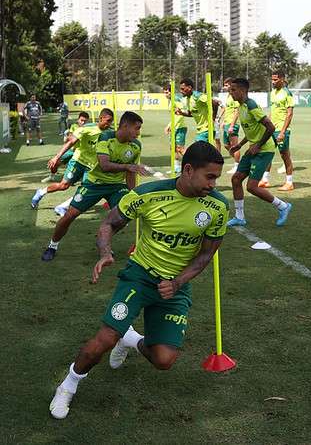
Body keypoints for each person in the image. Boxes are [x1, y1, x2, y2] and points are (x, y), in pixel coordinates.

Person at [48, 142, 229, 420]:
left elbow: (206, 255)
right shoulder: (147, 194)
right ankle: (68, 386)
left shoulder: (217, 206)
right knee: (105, 338)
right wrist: (105, 253)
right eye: (210, 176)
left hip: (174, 287)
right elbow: (109, 223)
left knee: (164, 360)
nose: (214, 184)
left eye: (216, 177)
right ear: (189, 169)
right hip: (140, 277)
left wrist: (178, 282)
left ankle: (131, 339)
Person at [40, 111, 149, 261]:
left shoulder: (136, 146)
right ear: (125, 125)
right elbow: (104, 165)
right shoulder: (106, 137)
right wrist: (127, 167)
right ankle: (52, 245)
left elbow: (131, 173)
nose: (138, 133)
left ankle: (103, 241)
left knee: (123, 216)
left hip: (117, 186)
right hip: (94, 183)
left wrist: (132, 194)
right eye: (136, 128)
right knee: (69, 216)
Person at [225, 78, 292, 227]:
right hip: (253, 148)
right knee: (236, 179)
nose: (231, 93)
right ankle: (239, 217)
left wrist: (258, 145)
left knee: (252, 187)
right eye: (230, 90)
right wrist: (240, 145)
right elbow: (251, 130)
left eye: (233, 90)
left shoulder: (251, 106)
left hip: (264, 150)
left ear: (243, 91)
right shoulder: (241, 106)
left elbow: (270, 127)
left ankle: (283, 206)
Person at [31, 109, 113, 210]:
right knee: (64, 185)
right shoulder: (87, 128)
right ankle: (41, 192)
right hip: (78, 161)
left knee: (85, 190)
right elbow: (70, 143)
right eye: (108, 121)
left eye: (111, 121)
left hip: (91, 167)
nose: (109, 124)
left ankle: (62, 207)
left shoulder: (110, 133)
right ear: (101, 118)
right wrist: (56, 157)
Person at [259, 71, 295, 191]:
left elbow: (289, 114)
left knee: (285, 155)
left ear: (282, 79)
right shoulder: (273, 92)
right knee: (267, 153)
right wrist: (267, 125)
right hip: (272, 128)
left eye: (275, 80)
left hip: (281, 130)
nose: (273, 82)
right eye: (272, 80)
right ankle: (265, 180)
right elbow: (272, 111)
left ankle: (289, 182)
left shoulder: (287, 93)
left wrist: (283, 132)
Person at [41, 110, 91, 183]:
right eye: (81, 120)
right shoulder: (74, 126)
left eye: (85, 121)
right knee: (54, 163)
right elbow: (70, 138)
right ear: (78, 120)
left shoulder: (88, 129)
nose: (83, 122)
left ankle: (80, 178)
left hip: (81, 153)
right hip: (71, 151)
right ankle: (51, 176)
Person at [175, 78, 219, 144]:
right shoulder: (188, 99)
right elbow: (191, 114)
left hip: (207, 129)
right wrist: (182, 113)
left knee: (198, 149)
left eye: (183, 89)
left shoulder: (197, 96)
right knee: (203, 152)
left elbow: (215, 103)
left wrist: (213, 118)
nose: (181, 91)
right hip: (200, 130)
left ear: (189, 87)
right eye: (180, 89)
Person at [163, 84, 189, 174]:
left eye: (167, 92)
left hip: (180, 127)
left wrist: (170, 125)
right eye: (164, 92)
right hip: (174, 127)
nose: (165, 94)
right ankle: (176, 166)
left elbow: (180, 114)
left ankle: (194, 162)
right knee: (173, 148)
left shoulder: (176, 99)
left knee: (180, 148)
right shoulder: (170, 100)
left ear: (171, 92)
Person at [218, 77, 241, 175]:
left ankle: (237, 166)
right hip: (227, 123)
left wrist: (232, 125)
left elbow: (237, 110)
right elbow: (228, 109)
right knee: (226, 145)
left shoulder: (235, 96)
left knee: (235, 146)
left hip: (232, 124)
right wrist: (223, 121)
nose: (225, 87)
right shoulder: (228, 96)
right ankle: (239, 163)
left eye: (227, 85)